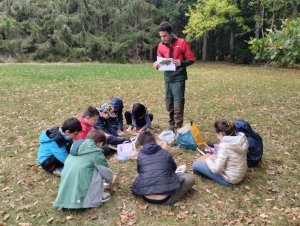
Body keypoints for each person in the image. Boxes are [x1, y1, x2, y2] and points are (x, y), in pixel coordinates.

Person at [153, 21, 195, 133]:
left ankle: (178, 129)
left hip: (179, 78)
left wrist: (181, 63)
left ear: (171, 33)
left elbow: (191, 59)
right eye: (161, 36)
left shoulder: (182, 43)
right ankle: (172, 128)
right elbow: (160, 61)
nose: (163, 38)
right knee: (169, 104)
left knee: (178, 105)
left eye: (165, 35)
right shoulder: (160, 46)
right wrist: (156, 65)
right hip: (167, 78)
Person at [53, 130, 113, 209]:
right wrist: (109, 181)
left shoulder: (74, 147)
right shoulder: (96, 153)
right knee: (97, 171)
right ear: (101, 144)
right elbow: (107, 175)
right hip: (84, 200)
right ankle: (92, 198)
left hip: (65, 194)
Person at [132, 131, 195, 205]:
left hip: (145, 197)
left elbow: (139, 171)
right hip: (166, 198)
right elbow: (173, 169)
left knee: (139, 176)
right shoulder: (165, 153)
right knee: (190, 178)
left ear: (141, 146)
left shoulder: (140, 156)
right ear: (156, 141)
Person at [192, 119, 249, 187]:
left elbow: (216, 170)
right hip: (239, 173)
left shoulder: (224, 146)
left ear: (221, 134)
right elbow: (232, 156)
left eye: (216, 135)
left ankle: (206, 173)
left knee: (196, 165)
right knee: (216, 152)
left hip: (230, 179)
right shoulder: (241, 139)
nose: (216, 137)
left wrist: (208, 160)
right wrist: (217, 157)